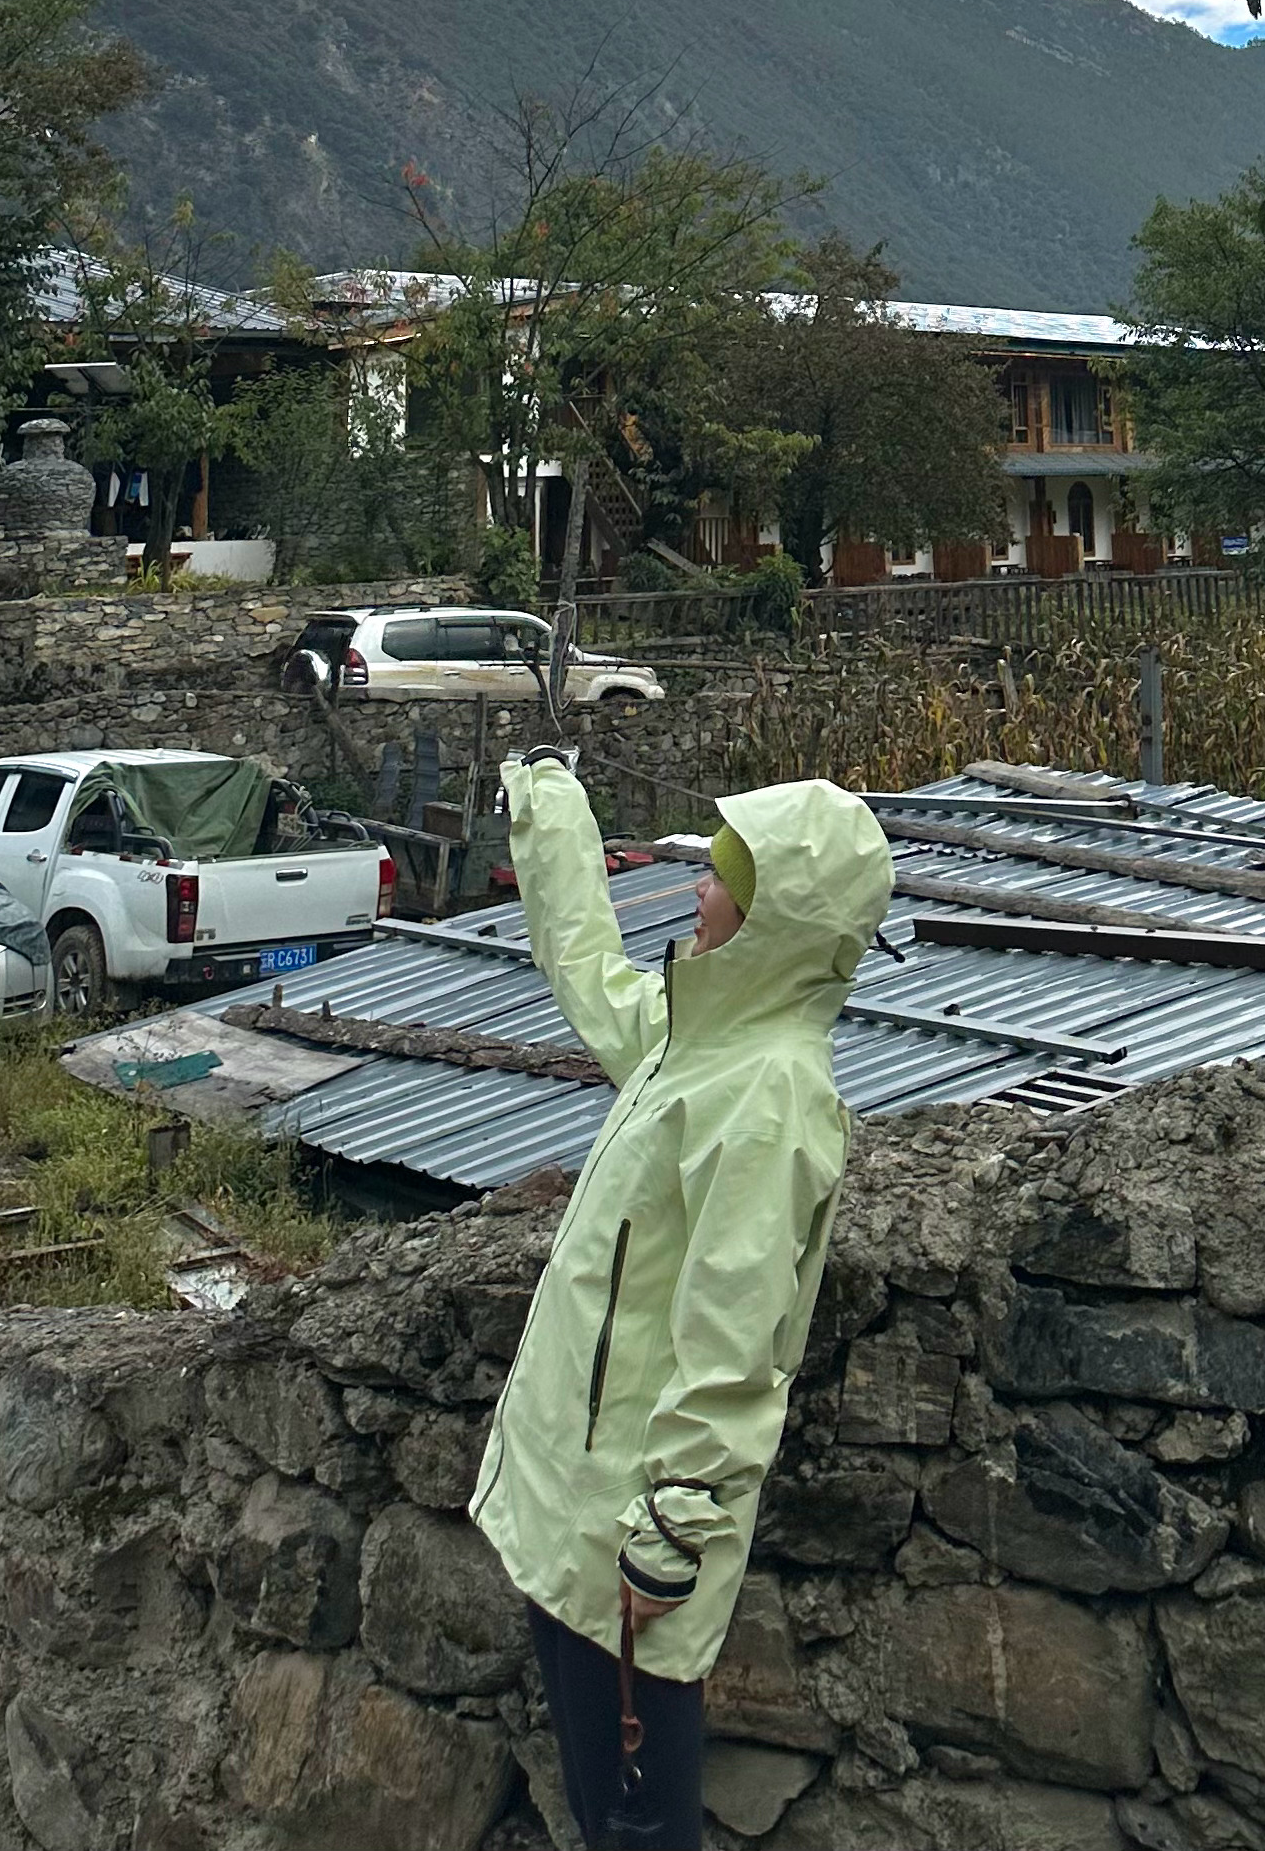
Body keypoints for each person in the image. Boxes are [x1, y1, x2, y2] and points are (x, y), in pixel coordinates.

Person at [471, 754, 891, 1851]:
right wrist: (550, 813)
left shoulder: (770, 1093)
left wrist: (672, 1528)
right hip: (585, 1517)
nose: (698, 888)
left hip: (628, 1541)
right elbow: (588, 973)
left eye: (723, 875)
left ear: (774, 919)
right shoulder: (698, 1042)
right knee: (610, 1816)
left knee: (636, 1832)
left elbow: (734, 1339)